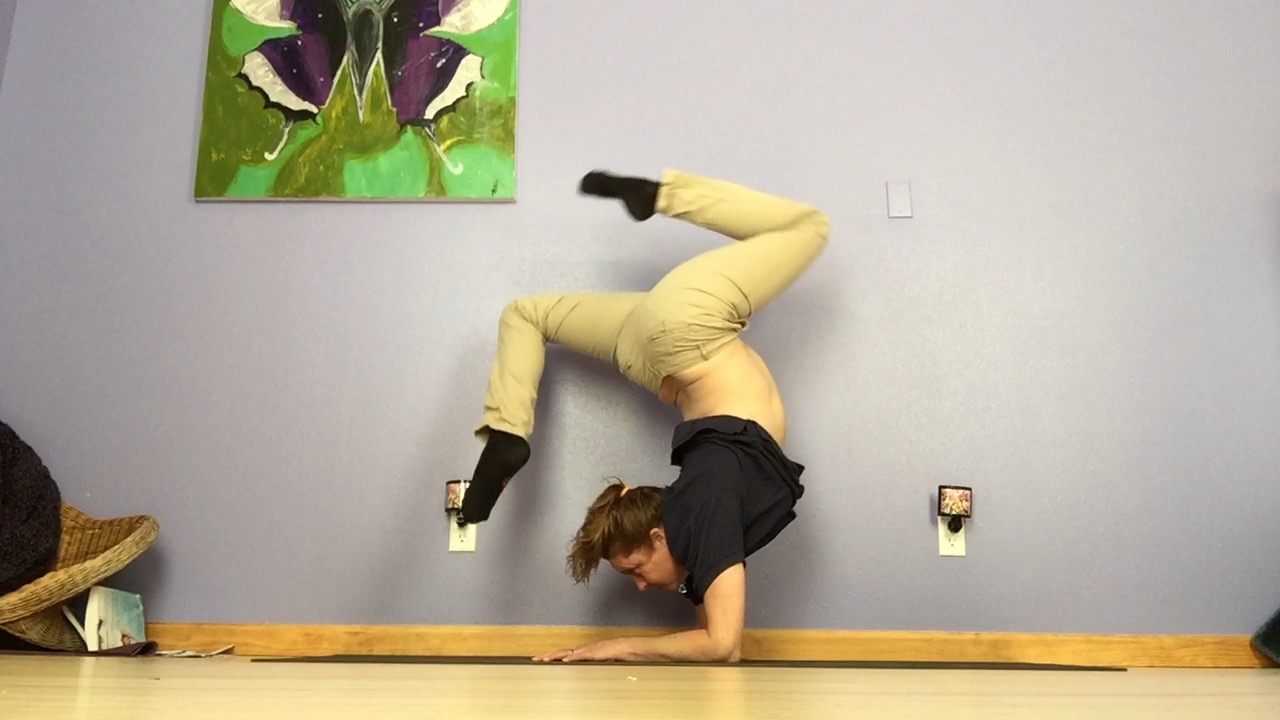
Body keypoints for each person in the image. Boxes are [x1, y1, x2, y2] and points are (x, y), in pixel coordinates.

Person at [457, 168, 830, 662]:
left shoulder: (707, 501)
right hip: (651, 349)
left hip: (683, 331)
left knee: (810, 227)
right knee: (526, 314)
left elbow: (720, 645)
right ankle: (507, 431)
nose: (640, 586)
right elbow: (723, 644)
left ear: (658, 534)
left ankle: (660, 196)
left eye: (635, 569)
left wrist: (611, 648)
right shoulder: (704, 505)